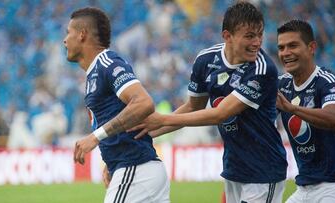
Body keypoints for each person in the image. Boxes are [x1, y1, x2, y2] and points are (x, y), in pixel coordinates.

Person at [131, 2, 287, 203]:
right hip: (234, 169)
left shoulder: (262, 69)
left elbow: (220, 114)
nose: (257, 42)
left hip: (264, 171)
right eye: (249, 36)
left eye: (260, 34)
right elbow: (192, 108)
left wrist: (161, 119)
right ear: (227, 36)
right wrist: (145, 133)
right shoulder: (206, 60)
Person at [63, 7, 169, 203]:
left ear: (82, 34)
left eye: (68, 32)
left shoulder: (107, 62)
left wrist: (96, 137)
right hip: (135, 169)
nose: (65, 40)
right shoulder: (94, 72)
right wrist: (110, 162)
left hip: (136, 169)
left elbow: (143, 102)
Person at [276, 19, 335, 203]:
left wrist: (292, 108)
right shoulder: (282, 84)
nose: (286, 53)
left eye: (293, 45)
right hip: (304, 188)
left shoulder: (326, 81)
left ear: (311, 47)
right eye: (281, 47)